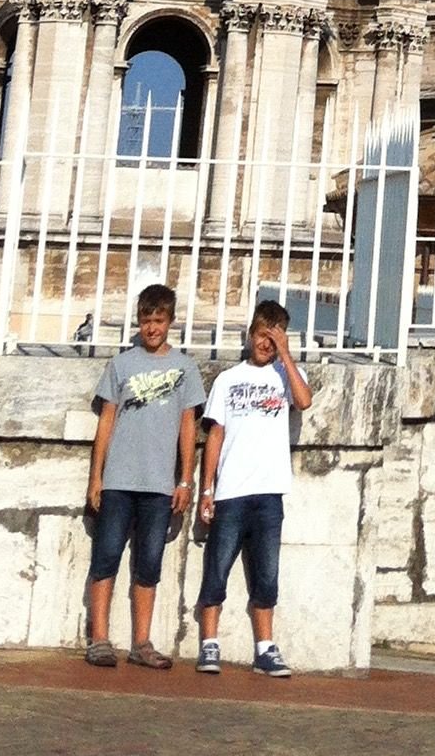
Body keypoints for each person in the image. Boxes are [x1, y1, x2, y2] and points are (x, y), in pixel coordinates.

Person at [84, 282, 204, 669]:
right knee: (106, 558)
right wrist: (96, 477)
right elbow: (106, 423)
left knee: (149, 564)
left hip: (158, 485)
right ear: (138, 322)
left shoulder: (185, 368)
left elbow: (189, 428)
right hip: (119, 481)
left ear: (170, 322)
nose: (153, 328)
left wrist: (185, 480)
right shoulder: (121, 365)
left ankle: (141, 643)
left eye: (160, 320)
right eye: (147, 320)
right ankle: (99, 639)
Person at [195, 298, 312, 677]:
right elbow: (215, 434)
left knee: (267, 575)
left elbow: (304, 401)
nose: (266, 344)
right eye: (262, 335)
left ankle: (265, 647)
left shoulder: (284, 374)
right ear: (250, 334)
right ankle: (209, 644)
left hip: (269, 491)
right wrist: (206, 489)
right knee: (217, 569)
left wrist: (286, 357)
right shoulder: (228, 380)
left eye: (273, 337)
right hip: (231, 492)